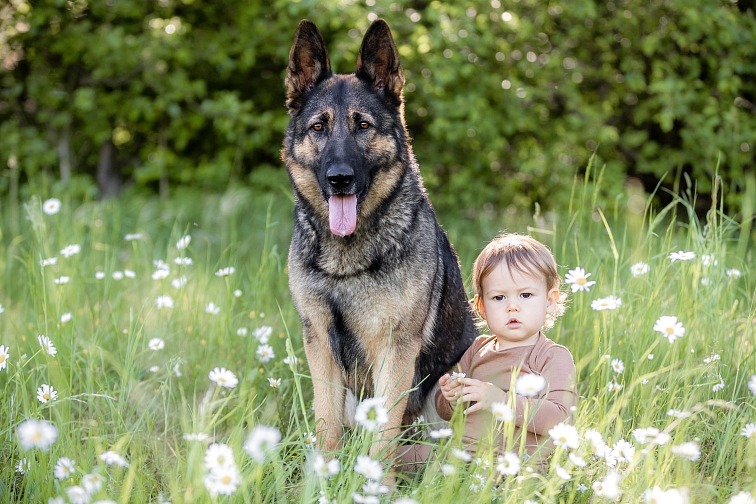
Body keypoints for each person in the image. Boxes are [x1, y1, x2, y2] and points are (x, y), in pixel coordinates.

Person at [398, 233, 577, 469]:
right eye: (499, 297)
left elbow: (561, 418)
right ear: (481, 307)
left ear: (550, 300)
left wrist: (499, 400)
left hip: (515, 463)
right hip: (461, 454)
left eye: (525, 295)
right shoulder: (478, 349)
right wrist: (450, 398)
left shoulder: (551, 356)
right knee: (391, 453)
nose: (512, 306)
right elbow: (448, 412)